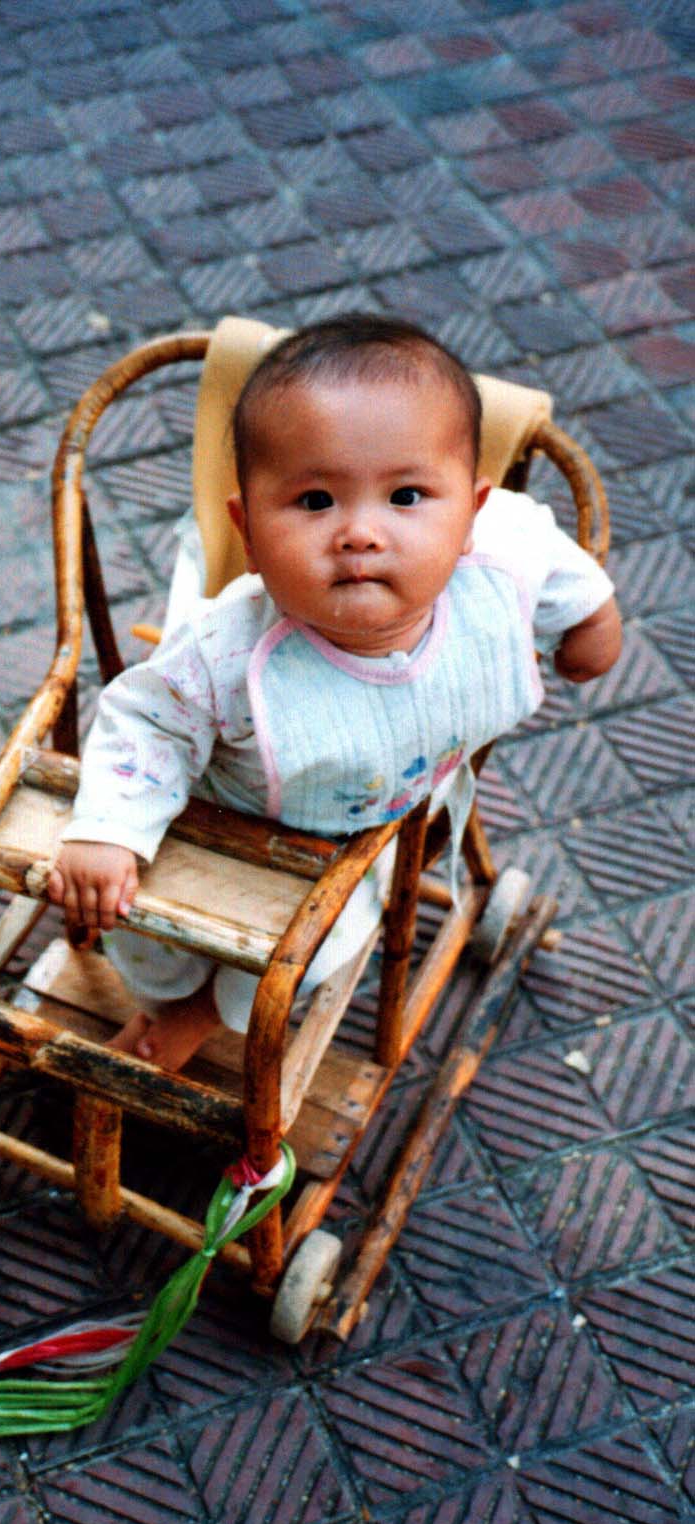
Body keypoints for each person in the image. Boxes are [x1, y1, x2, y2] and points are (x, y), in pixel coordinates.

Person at [46, 314, 622, 1071]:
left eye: (407, 496)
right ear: (248, 531)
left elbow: (553, 555)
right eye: (315, 502)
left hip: (349, 843)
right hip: (214, 815)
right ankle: (166, 993)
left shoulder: (504, 555)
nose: (359, 532)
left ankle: (207, 1013)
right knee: (149, 928)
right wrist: (112, 829)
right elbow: (145, 720)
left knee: (326, 941)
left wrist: (590, 624)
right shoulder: (232, 648)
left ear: (471, 516)